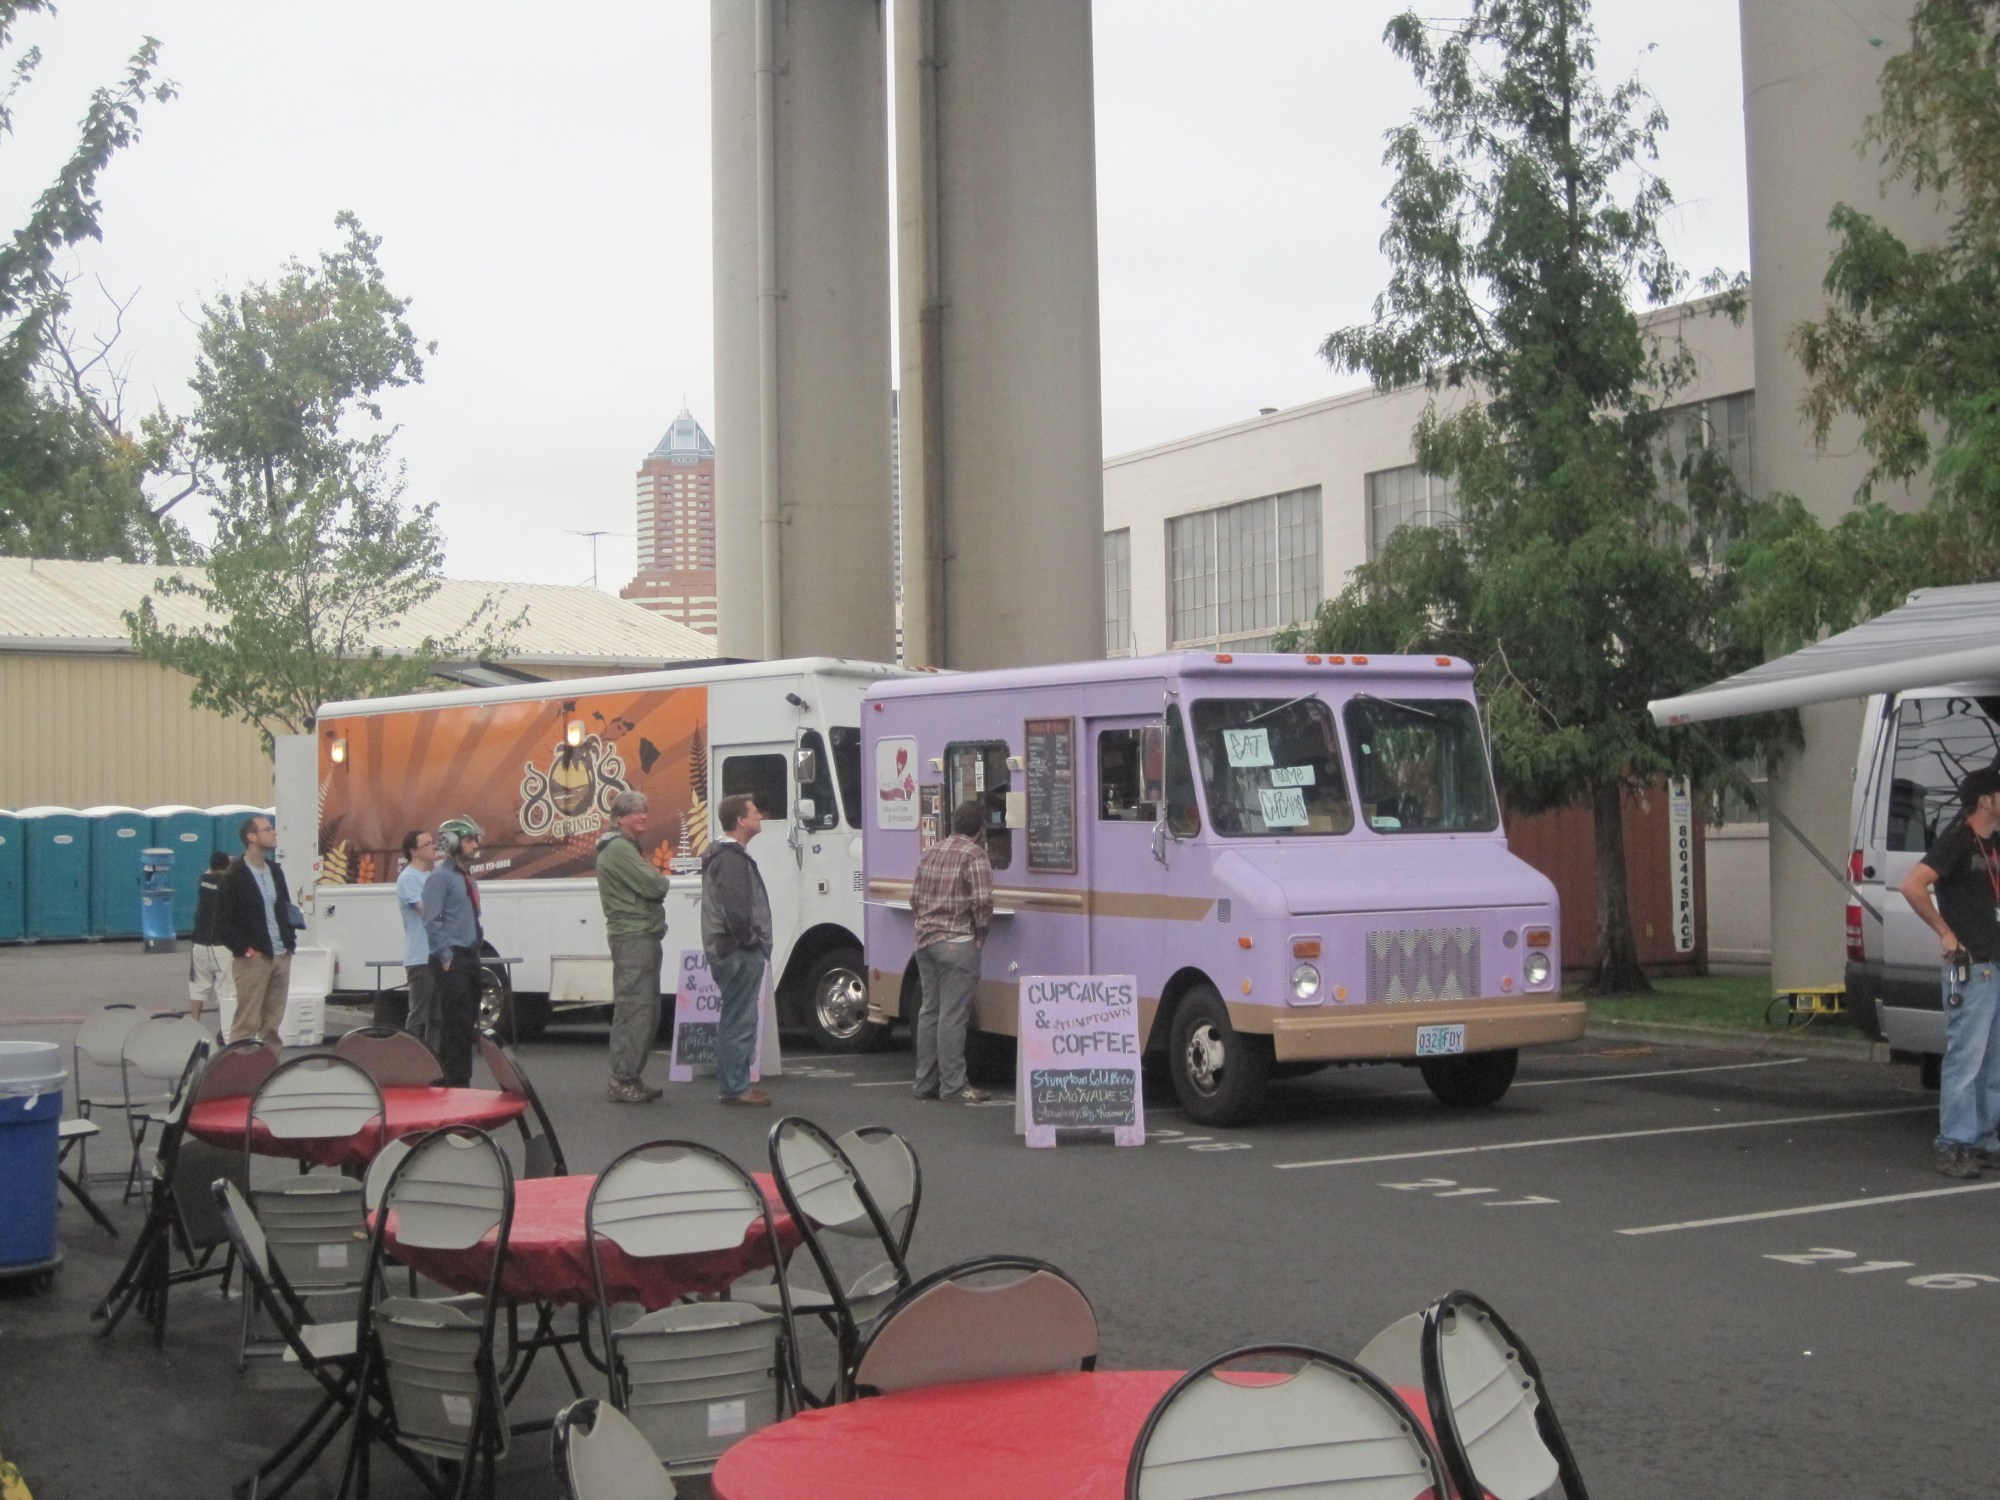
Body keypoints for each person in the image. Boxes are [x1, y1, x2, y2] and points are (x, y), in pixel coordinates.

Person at [1898, 766, 2000, 1179]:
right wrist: (1945, 932)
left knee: (1993, 1061)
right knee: (1966, 1059)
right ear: (1985, 800)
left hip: (1995, 963)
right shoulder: (1958, 840)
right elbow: (1912, 885)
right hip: (1972, 967)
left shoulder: (1993, 845)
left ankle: (1984, 1139)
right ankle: (1953, 1144)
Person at [910, 798, 995, 1103]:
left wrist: (925, 923)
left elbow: (914, 897)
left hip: (926, 942)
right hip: (958, 941)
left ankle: (924, 1083)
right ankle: (954, 1085)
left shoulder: (931, 851)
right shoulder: (975, 855)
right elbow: (982, 901)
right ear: (980, 829)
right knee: (953, 1016)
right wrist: (981, 933)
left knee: (929, 1011)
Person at [596, 790, 670, 1104]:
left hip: (639, 935)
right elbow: (656, 884)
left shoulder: (624, 847)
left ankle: (630, 1077)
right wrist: (658, 880)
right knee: (635, 1009)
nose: (643, 816)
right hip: (633, 937)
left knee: (645, 1010)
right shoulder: (618, 849)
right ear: (620, 818)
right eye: (636, 812)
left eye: (644, 810)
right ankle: (622, 1079)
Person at [700, 794, 773, 1107]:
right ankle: (735, 1087)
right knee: (739, 1019)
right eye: (754, 812)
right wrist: (751, 941)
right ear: (740, 820)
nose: (760, 816)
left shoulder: (725, 856)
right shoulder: (731, 859)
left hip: (728, 948)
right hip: (736, 951)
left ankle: (734, 1085)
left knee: (735, 1016)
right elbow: (737, 909)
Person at [216, 814, 299, 1046]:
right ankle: (241, 1065)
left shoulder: (275, 871)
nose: (274, 833)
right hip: (254, 959)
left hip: (281, 954)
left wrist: (289, 943)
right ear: (252, 837)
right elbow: (223, 922)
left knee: (272, 1024)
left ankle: (269, 1065)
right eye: (268, 829)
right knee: (247, 1022)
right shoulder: (234, 876)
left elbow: (284, 908)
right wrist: (246, 950)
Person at [423, 816, 486, 1089]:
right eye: (469, 840)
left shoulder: (465, 877)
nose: (474, 845)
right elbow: (432, 919)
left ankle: (462, 1079)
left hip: (469, 956)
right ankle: (453, 1081)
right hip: (453, 958)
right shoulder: (440, 878)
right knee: (455, 1023)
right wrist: (445, 955)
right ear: (452, 842)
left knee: (467, 1023)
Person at [396, 829, 440, 1050]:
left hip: (438, 954)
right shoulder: (408, 878)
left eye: (433, 843)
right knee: (419, 1013)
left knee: (437, 1015)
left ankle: (434, 1059)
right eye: (427, 844)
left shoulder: (431, 876)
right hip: (420, 956)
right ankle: (409, 1056)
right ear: (413, 851)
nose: (433, 847)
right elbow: (426, 909)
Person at [186, 850, 235, 1024]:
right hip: (221, 945)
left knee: (198, 988)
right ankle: (226, 1028)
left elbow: (212, 871)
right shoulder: (228, 884)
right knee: (226, 990)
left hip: (199, 943)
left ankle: (194, 1024)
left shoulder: (203, 880)